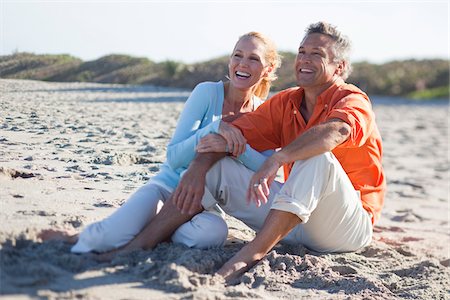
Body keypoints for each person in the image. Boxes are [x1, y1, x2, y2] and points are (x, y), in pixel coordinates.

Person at [171, 21, 386, 281]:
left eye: (316, 54)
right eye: (302, 52)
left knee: (317, 156)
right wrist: (198, 167)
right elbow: (230, 136)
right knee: (218, 166)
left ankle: (251, 254)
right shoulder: (286, 101)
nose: (305, 60)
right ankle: (146, 239)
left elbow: (337, 132)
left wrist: (279, 158)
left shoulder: (353, 99)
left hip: (344, 228)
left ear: (338, 67)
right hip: (292, 221)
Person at [38, 31, 282, 255]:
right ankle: (75, 237)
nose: (242, 64)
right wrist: (215, 128)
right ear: (230, 60)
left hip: (203, 205)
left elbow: (265, 167)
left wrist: (232, 146)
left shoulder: (262, 112)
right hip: (166, 189)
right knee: (102, 241)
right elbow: (174, 157)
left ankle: (155, 231)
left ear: (268, 69)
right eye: (237, 55)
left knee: (212, 234)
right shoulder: (207, 92)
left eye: (253, 58)